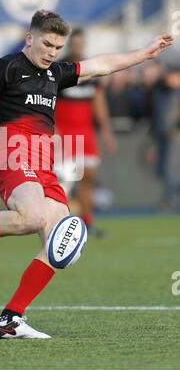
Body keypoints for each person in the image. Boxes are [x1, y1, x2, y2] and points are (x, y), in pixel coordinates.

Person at [0, 10, 173, 339]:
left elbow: (101, 65)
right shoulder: (3, 69)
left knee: (59, 246)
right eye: (47, 44)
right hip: (14, 156)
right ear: (30, 38)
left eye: (58, 47)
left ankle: (10, 319)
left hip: (45, 167)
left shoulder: (55, 73)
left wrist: (145, 53)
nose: (52, 52)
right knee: (33, 217)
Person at [55, 28, 116, 237]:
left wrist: (106, 131)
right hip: (64, 135)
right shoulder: (59, 70)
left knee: (88, 178)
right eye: (74, 43)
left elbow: (99, 103)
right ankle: (59, 225)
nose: (77, 47)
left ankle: (86, 223)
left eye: (81, 43)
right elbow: (48, 102)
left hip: (86, 133)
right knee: (64, 182)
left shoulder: (92, 71)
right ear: (69, 45)